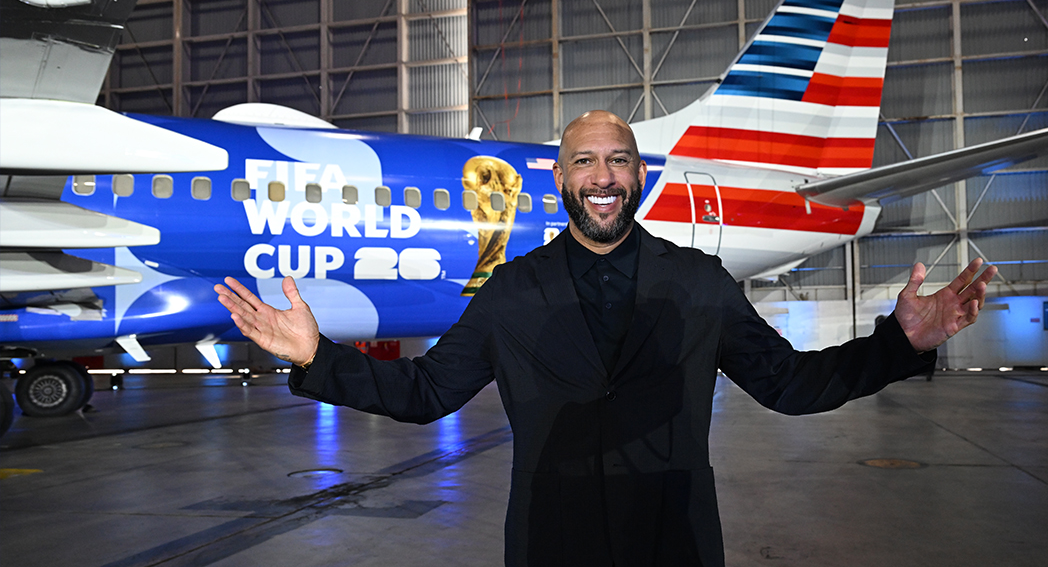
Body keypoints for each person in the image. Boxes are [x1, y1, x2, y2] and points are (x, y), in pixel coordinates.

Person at [215, 110, 997, 566]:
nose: (603, 174)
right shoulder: (512, 290)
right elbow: (427, 393)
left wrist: (900, 342)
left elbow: (789, 384)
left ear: (638, 178)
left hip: (677, 545)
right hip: (552, 546)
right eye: (585, 160)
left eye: (619, 160)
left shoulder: (697, 282)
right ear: (560, 178)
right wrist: (320, 358)